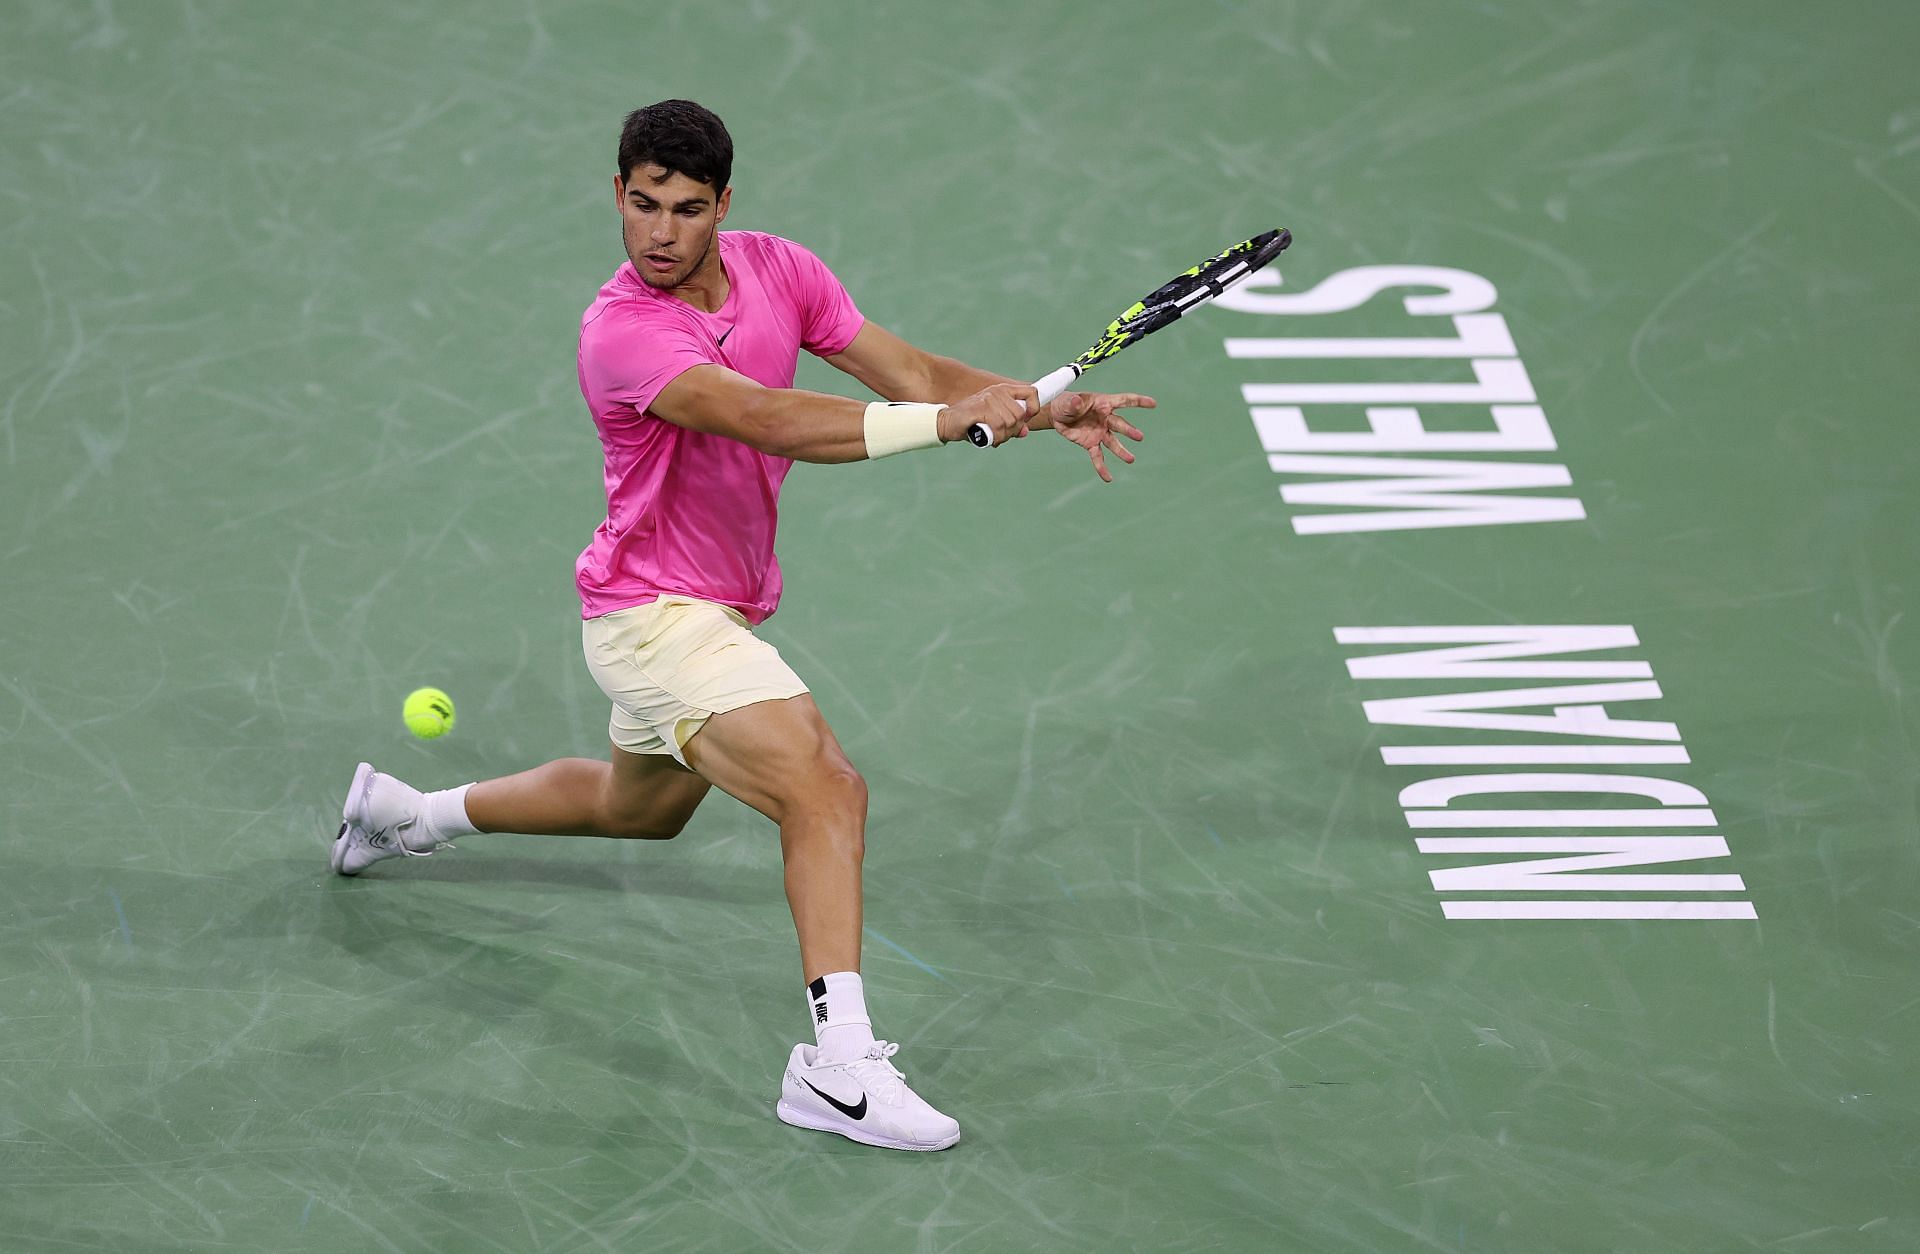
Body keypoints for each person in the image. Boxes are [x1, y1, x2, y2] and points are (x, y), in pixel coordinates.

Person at [329, 99, 1152, 1153]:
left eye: (684, 209)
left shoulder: (783, 271)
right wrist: (944, 424)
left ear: (725, 205)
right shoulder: (623, 332)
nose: (658, 233)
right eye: (639, 205)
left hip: (708, 605)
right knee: (824, 785)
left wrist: (1032, 408)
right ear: (616, 194)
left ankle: (406, 816)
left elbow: (907, 375)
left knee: (640, 812)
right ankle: (837, 1066)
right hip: (652, 619)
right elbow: (769, 419)